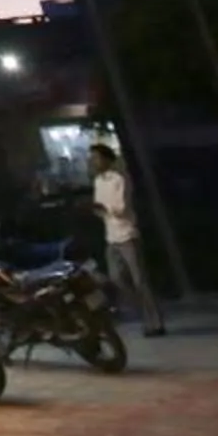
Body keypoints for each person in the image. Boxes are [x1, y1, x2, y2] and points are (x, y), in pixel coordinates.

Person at [88, 144, 165, 337]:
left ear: (107, 159)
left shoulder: (119, 179)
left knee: (140, 280)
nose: (94, 162)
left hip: (127, 234)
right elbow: (100, 208)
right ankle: (142, 314)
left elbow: (121, 208)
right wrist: (101, 211)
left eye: (97, 158)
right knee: (116, 279)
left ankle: (155, 322)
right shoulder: (98, 181)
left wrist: (106, 210)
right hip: (111, 237)